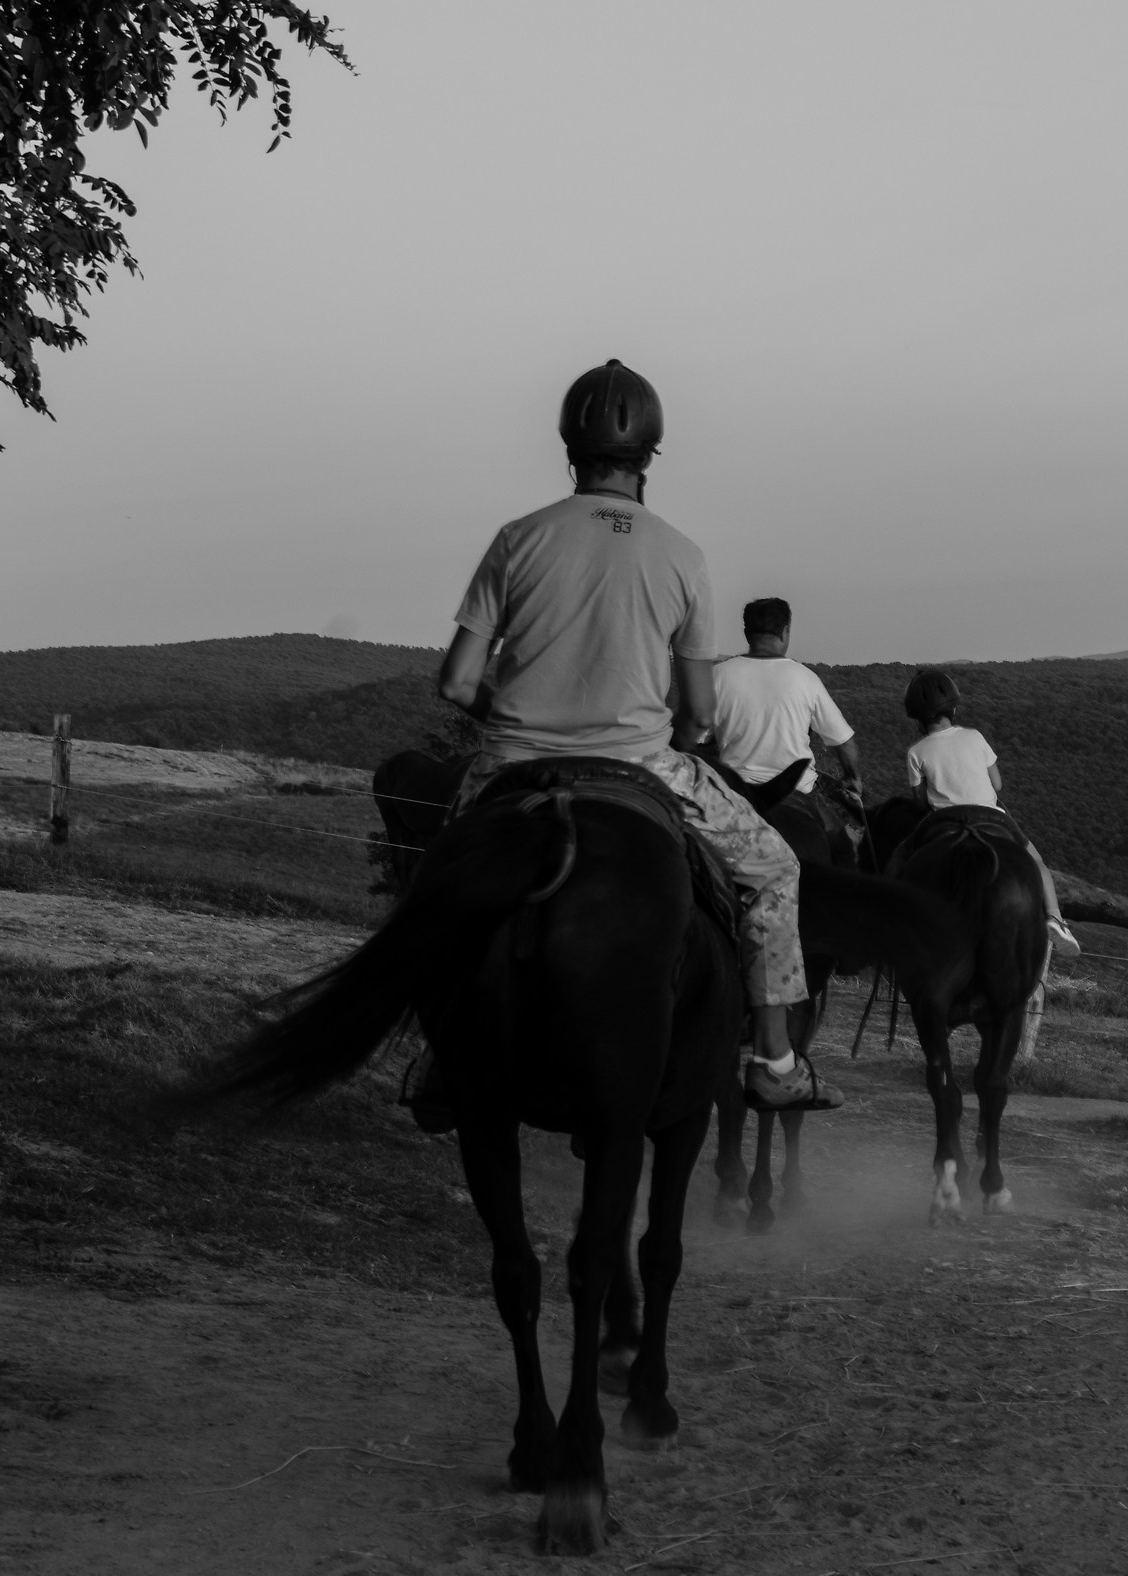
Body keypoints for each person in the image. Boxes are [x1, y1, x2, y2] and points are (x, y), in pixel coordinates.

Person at [410, 359, 842, 1129]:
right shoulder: (683, 555)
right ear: (650, 457)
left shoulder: (518, 538)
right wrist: (667, 734)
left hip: (512, 760)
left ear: (569, 451)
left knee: (436, 890)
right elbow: (699, 712)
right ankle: (774, 1062)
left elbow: (455, 682)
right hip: (642, 763)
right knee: (775, 870)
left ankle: (441, 1053)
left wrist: (517, 717)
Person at [901, 668, 1082, 957]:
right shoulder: (975, 737)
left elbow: (920, 804)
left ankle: (896, 918)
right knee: (1037, 863)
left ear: (917, 719)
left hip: (945, 821)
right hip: (990, 815)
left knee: (903, 858)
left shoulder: (916, 752)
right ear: (954, 708)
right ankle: (1055, 919)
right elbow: (997, 783)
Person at [708, 597, 863, 807]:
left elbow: (697, 738)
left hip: (735, 794)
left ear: (746, 633)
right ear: (785, 631)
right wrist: (852, 778)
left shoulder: (716, 676)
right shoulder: (806, 679)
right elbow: (844, 743)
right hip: (798, 792)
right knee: (845, 838)